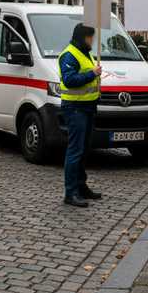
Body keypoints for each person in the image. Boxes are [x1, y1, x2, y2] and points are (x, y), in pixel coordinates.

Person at [58, 23, 103, 206]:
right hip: (75, 108)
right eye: (90, 37)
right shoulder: (69, 55)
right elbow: (70, 80)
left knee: (84, 149)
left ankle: (81, 186)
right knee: (75, 150)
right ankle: (70, 192)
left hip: (87, 107)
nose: (92, 40)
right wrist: (92, 74)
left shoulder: (85, 53)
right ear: (82, 38)